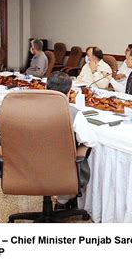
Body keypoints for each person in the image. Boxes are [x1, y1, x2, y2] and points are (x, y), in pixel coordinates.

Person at [46, 71, 98, 208]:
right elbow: (91, 141)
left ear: (46, 88)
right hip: (61, 169)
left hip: (31, 165)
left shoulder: (29, 108)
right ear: (69, 92)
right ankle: (64, 198)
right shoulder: (73, 113)